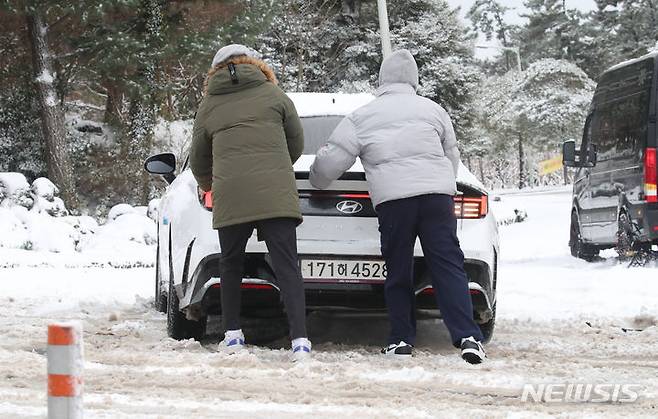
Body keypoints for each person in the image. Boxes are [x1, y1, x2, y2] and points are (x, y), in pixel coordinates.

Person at [309, 49, 486, 364]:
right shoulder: (434, 111)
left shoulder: (363, 116)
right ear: (414, 80)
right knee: (448, 266)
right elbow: (452, 157)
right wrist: (440, 184)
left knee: (398, 270)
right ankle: (467, 336)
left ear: (382, 80)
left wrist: (317, 179)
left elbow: (330, 164)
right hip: (436, 199)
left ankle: (402, 339)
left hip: (395, 203)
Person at [189, 44, 311, 361]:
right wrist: (275, 167)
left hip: (231, 193)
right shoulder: (275, 95)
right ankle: (300, 340)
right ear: (254, 64)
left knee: (230, 263)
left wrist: (210, 183)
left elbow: (199, 159)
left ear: (215, 71)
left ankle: (232, 334)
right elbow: (296, 143)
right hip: (276, 192)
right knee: (286, 265)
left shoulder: (209, 105)